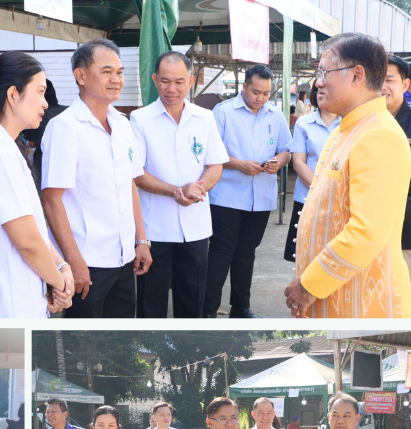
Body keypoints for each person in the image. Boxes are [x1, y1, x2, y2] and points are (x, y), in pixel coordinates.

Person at [288, 34, 411, 318]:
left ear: (357, 75)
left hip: (362, 306)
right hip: (338, 300)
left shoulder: (377, 135)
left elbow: (366, 232)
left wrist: (308, 285)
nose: (318, 82)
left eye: (323, 72)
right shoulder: (349, 130)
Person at [40, 38, 151, 318]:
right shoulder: (64, 127)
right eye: (106, 72)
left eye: (120, 72)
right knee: (85, 349)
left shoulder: (123, 124)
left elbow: (130, 185)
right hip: (88, 264)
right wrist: (74, 262)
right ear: (80, 75)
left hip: (125, 259)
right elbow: (52, 201)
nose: (116, 79)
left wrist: (142, 241)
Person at [0, 51, 72, 318]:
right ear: (12, 95)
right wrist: (60, 283)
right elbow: (28, 242)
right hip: (3, 306)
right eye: (40, 92)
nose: (45, 103)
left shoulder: (5, 149)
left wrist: (62, 265)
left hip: (19, 301)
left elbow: (36, 232)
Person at [132, 51, 229, 318]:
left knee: (193, 297)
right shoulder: (140, 119)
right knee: (151, 301)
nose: (171, 89)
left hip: (195, 226)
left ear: (191, 80)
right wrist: (176, 191)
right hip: (155, 228)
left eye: (178, 81)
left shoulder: (204, 118)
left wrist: (197, 188)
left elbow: (215, 165)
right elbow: (136, 173)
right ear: (154, 80)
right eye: (164, 81)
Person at [206, 64, 292, 318]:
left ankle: (241, 307)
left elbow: (286, 150)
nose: (261, 98)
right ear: (244, 87)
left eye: (266, 93)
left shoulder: (275, 116)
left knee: (246, 252)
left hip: (261, 198)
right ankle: (208, 309)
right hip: (227, 197)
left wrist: (278, 161)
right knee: (222, 251)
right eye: (256, 92)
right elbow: (213, 154)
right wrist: (239, 164)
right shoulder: (222, 113)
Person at [285, 87, 341, 263]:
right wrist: (321, 188)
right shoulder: (304, 123)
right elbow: (299, 162)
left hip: (339, 198)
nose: (323, 93)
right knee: (305, 255)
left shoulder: (349, 123)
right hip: (307, 197)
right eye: (319, 91)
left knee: (334, 256)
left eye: (329, 88)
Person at [384, 56, 411, 271]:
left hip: (407, 229)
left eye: (389, 80)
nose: (382, 87)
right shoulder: (364, 122)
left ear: (405, 84)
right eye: (377, 79)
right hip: (368, 229)